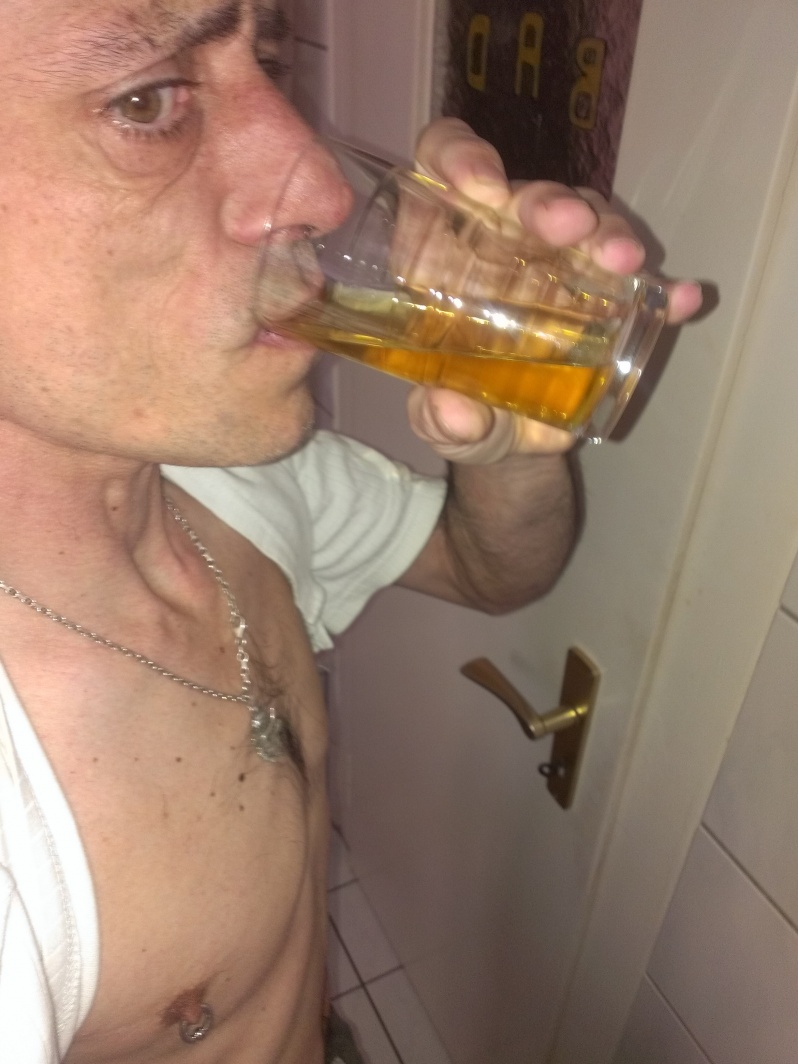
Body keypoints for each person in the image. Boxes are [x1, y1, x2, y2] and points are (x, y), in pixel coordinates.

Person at [0, 1, 702, 1062]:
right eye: (146, 101)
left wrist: (511, 449)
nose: (326, 192)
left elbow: (490, 571)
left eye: (266, 57)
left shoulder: (231, 475)